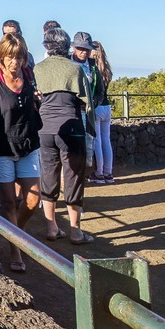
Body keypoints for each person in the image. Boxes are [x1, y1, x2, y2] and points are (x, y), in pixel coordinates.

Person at [0, 33, 42, 272]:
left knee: (34, 200)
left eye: (20, 57)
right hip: (1, 148)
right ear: (2, 57)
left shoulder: (27, 76)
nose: (15, 62)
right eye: (11, 57)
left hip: (27, 145)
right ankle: (16, 252)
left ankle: (16, 234)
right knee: (8, 203)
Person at [36, 26, 93, 243]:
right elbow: (87, 102)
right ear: (66, 45)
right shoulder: (74, 69)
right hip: (72, 128)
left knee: (49, 176)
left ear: (47, 46)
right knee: (74, 177)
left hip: (45, 128)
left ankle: (51, 228)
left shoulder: (38, 69)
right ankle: (75, 231)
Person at [72, 31, 100, 178]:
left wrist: (93, 103)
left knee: (85, 146)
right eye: (81, 48)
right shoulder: (67, 63)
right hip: (70, 111)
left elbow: (99, 90)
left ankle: (80, 176)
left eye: (87, 49)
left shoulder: (93, 66)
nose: (84, 52)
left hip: (86, 112)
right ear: (74, 48)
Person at [89, 41, 115, 183]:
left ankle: (99, 173)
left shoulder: (93, 68)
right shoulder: (106, 69)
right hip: (107, 107)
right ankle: (108, 172)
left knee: (97, 140)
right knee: (106, 140)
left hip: (97, 106)